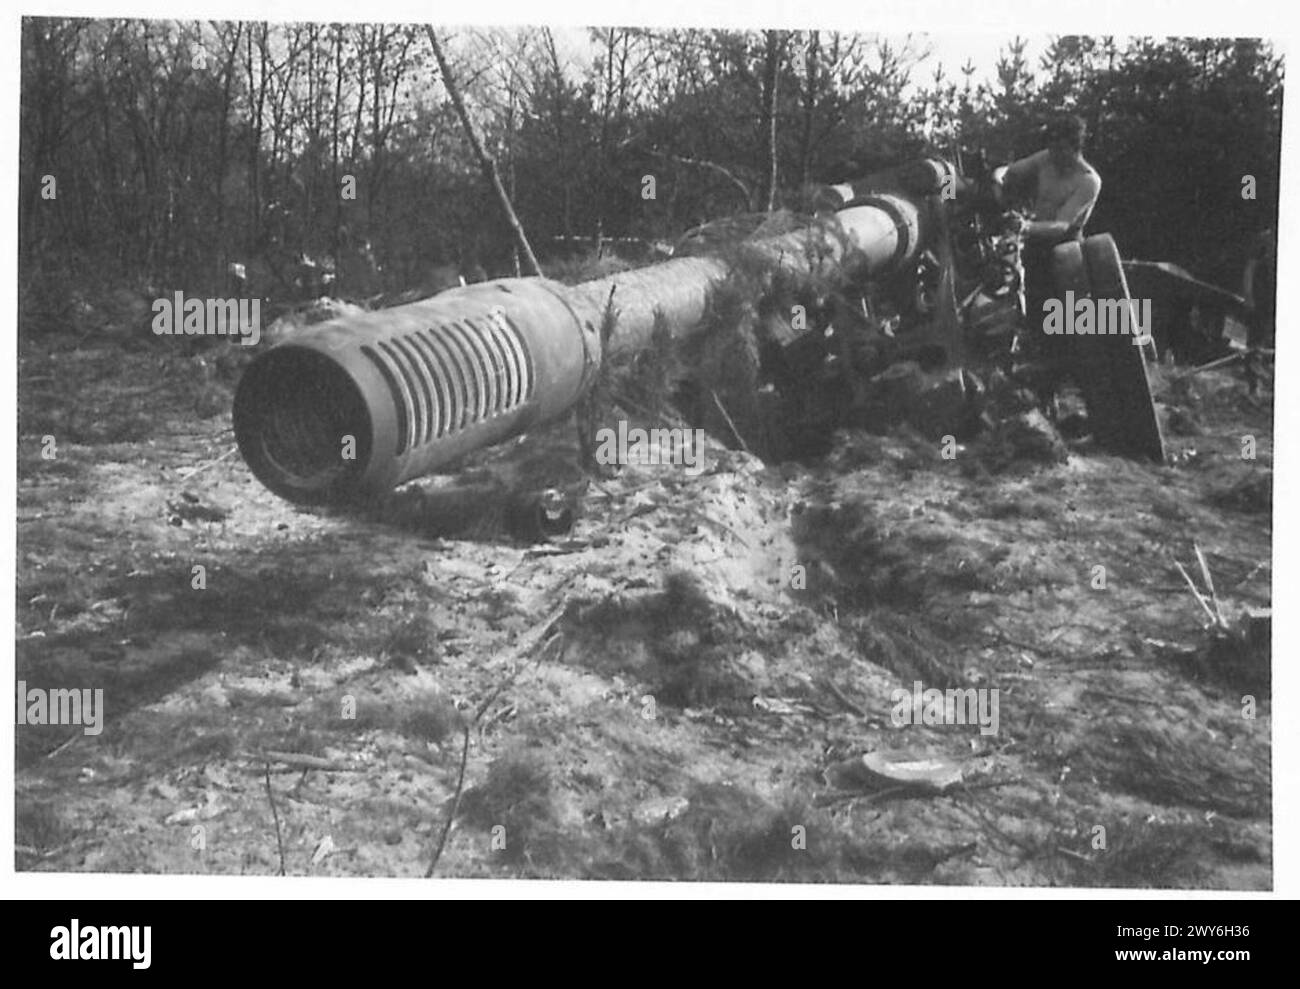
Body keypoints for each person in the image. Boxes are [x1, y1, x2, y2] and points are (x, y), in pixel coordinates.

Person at [995, 114, 1103, 411]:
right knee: (1037, 323)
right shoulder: (1046, 158)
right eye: (1051, 147)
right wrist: (1002, 182)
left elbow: (1062, 224)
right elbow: (1010, 172)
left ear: (1075, 147)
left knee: (1066, 328)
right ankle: (1042, 399)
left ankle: (1078, 399)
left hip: (1066, 256)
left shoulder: (1088, 181)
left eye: (1060, 149)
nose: (1054, 155)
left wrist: (1024, 227)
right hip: (1035, 251)